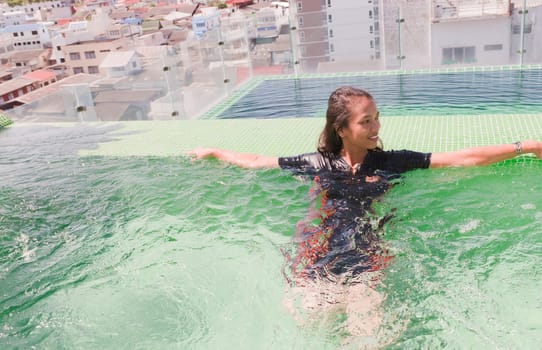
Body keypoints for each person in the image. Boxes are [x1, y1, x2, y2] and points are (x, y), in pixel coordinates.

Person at [187, 86, 542, 339]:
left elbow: (462, 158)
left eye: (377, 119)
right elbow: (255, 162)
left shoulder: (392, 162)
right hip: (319, 259)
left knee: (371, 338)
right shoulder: (316, 163)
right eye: (366, 121)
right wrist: (215, 152)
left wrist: (526, 145)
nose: (376, 127)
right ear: (341, 129)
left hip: (368, 261)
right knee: (307, 321)